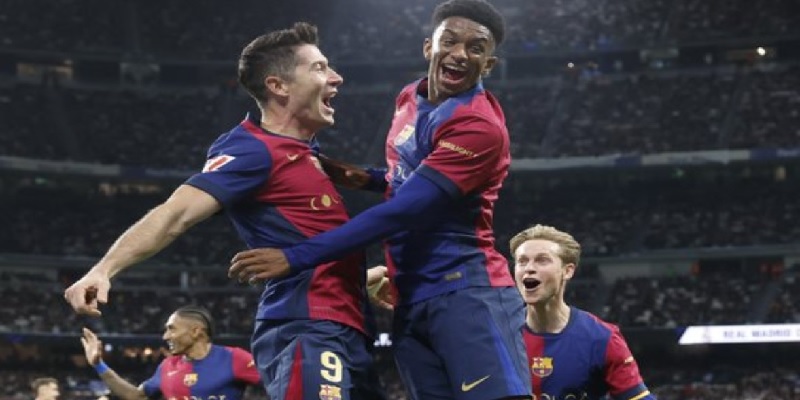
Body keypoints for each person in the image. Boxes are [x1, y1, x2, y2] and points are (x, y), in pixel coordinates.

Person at [63, 22, 385, 400]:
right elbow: (175, 214)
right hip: (308, 327)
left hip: (351, 327)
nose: (336, 77)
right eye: (319, 68)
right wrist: (104, 269)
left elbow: (309, 239)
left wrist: (359, 277)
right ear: (278, 86)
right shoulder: (251, 149)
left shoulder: (307, 155)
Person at [227, 1, 531, 399]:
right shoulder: (409, 98)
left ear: (487, 64)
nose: (460, 54)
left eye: (475, 48)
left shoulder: (478, 125)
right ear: (429, 47)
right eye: (450, 41)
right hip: (410, 298)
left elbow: (404, 210)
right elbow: (409, 176)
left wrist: (296, 257)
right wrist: (365, 177)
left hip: (466, 292)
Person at [510, 225, 654, 400]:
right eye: (522, 261)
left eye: (542, 260)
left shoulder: (602, 338)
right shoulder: (496, 335)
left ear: (567, 271)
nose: (529, 268)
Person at [81, 305, 260, 400]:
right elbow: (136, 396)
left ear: (196, 331)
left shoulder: (234, 358)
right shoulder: (167, 366)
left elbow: (274, 382)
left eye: (172, 329)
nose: (165, 336)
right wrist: (98, 365)